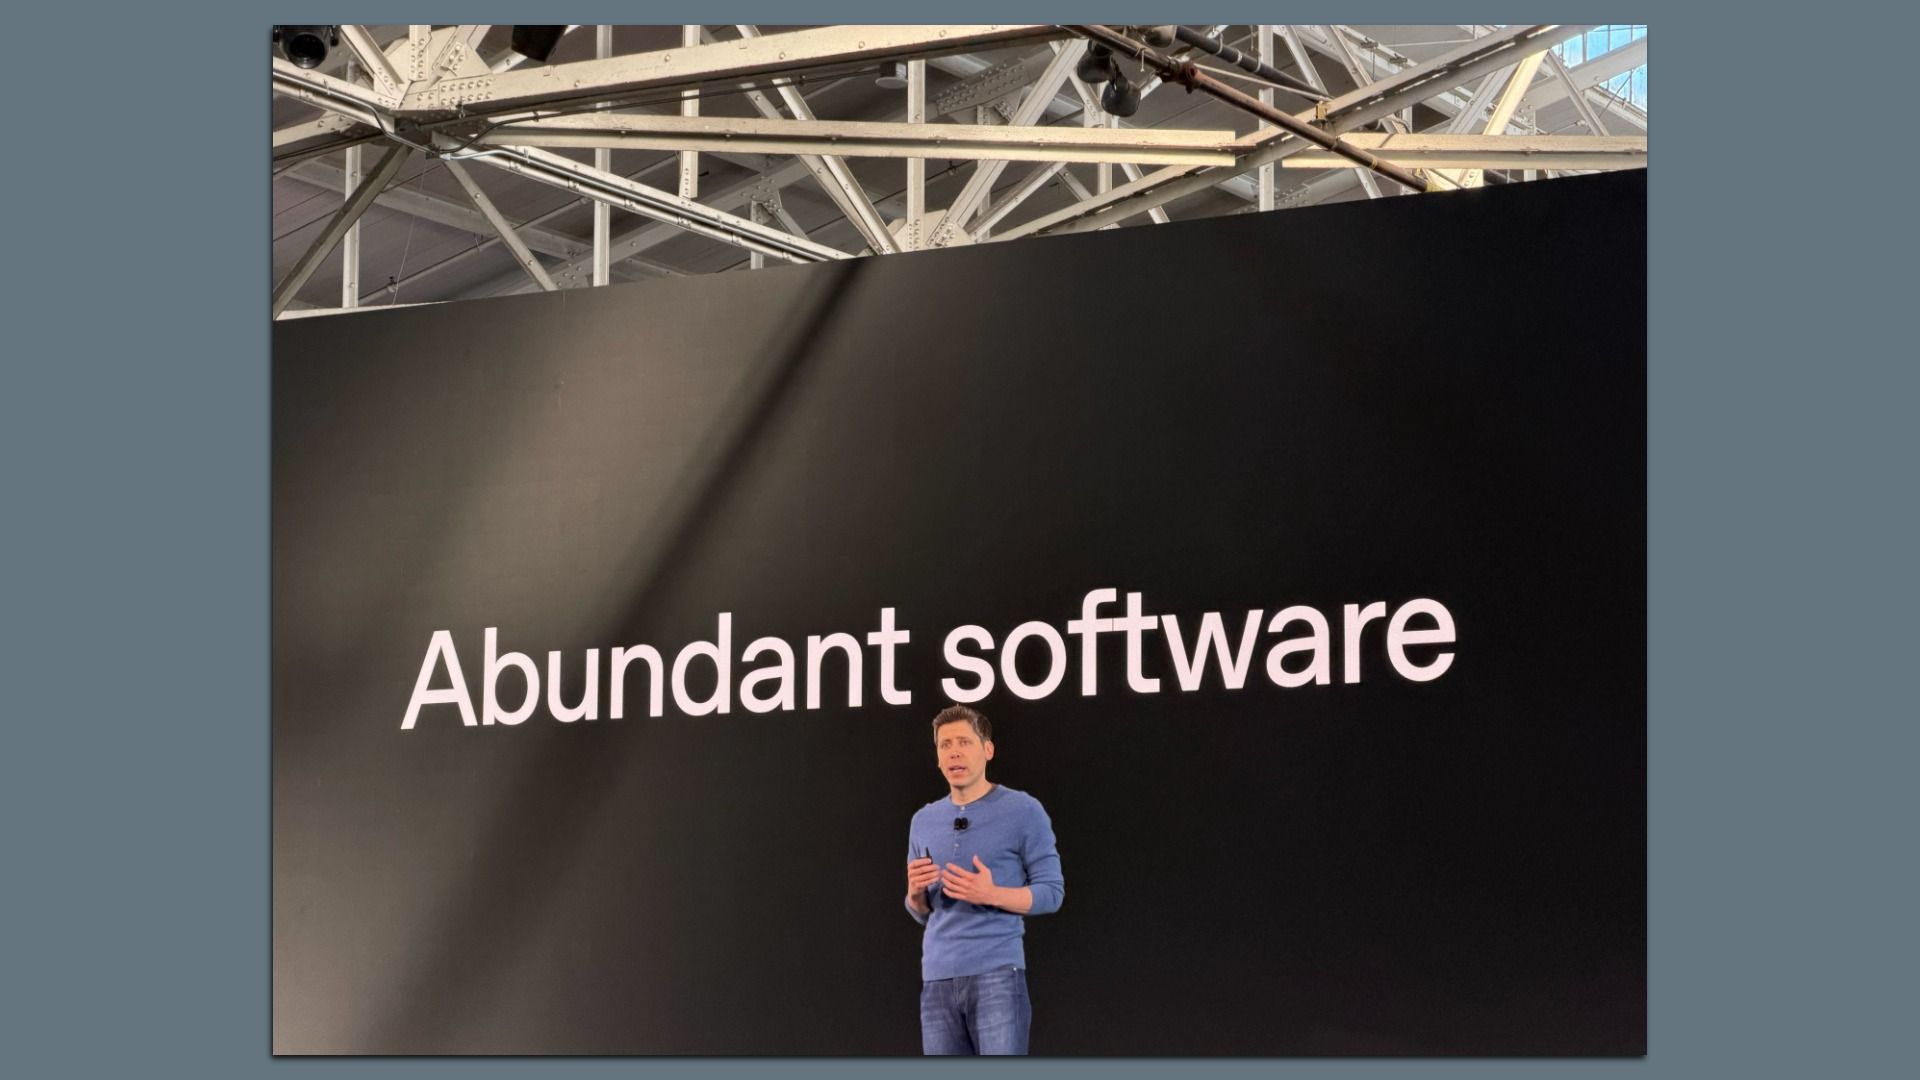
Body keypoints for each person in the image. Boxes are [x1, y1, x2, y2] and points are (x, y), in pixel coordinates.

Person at [904, 704, 1064, 1055]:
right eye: (945, 745)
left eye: (964, 742)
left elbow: (1052, 893)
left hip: (997, 976)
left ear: (987, 750)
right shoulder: (923, 820)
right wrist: (915, 893)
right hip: (937, 981)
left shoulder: (1024, 810)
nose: (954, 752)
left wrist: (992, 893)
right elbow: (920, 910)